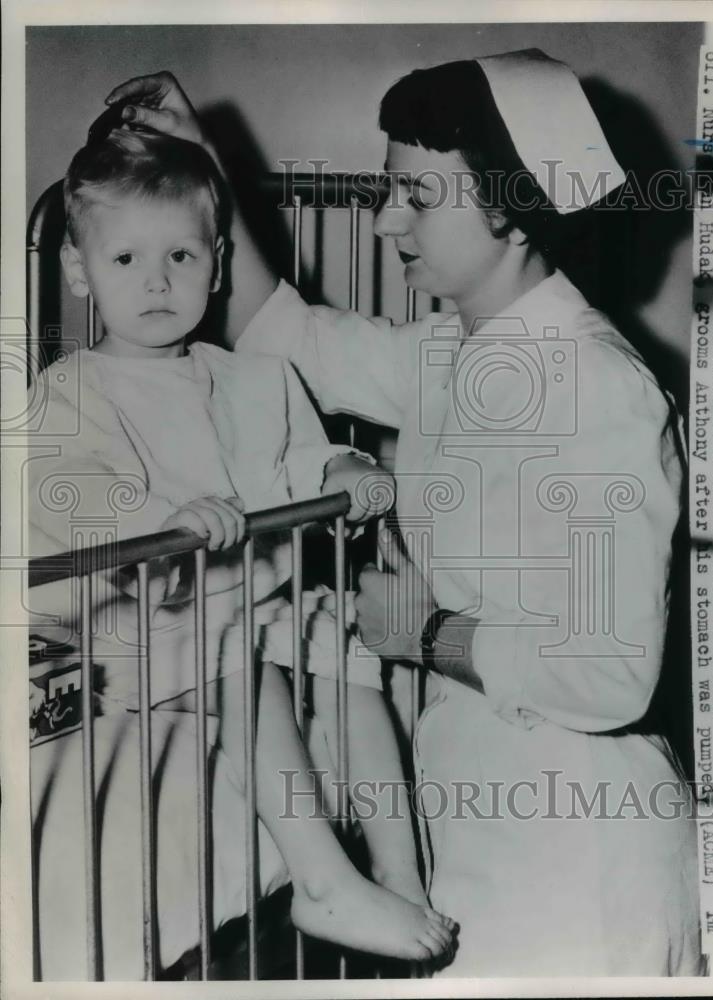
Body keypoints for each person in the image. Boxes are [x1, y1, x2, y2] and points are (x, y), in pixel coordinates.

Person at [108, 49, 701, 977]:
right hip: (481, 837)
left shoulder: (596, 386)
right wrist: (202, 160)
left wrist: (423, 633)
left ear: (508, 209)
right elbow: (287, 335)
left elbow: (614, 673)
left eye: (417, 197)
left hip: (583, 858)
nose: (387, 220)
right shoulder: (451, 354)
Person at [27, 124, 456, 978]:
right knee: (237, 651)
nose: (157, 281)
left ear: (219, 264)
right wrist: (164, 513)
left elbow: (303, 461)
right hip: (142, 630)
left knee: (348, 653)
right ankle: (320, 876)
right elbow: (66, 491)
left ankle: (400, 873)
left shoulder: (252, 378)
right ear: (78, 272)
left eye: (182, 257)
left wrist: (350, 467)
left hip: (260, 610)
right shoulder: (68, 392)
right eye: (125, 262)